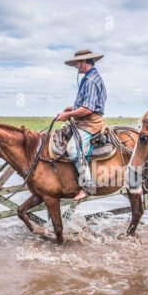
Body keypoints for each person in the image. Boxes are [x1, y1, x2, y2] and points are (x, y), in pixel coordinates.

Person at [56, 49, 107, 200]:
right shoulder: (90, 78)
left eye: (78, 63)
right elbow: (86, 105)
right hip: (84, 120)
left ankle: (88, 185)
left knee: (73, 150)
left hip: (90, 123)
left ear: (85, 62)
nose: (76, 66)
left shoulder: (91, 81)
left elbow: (88, 109)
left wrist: (68, 115)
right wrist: (72, 109)